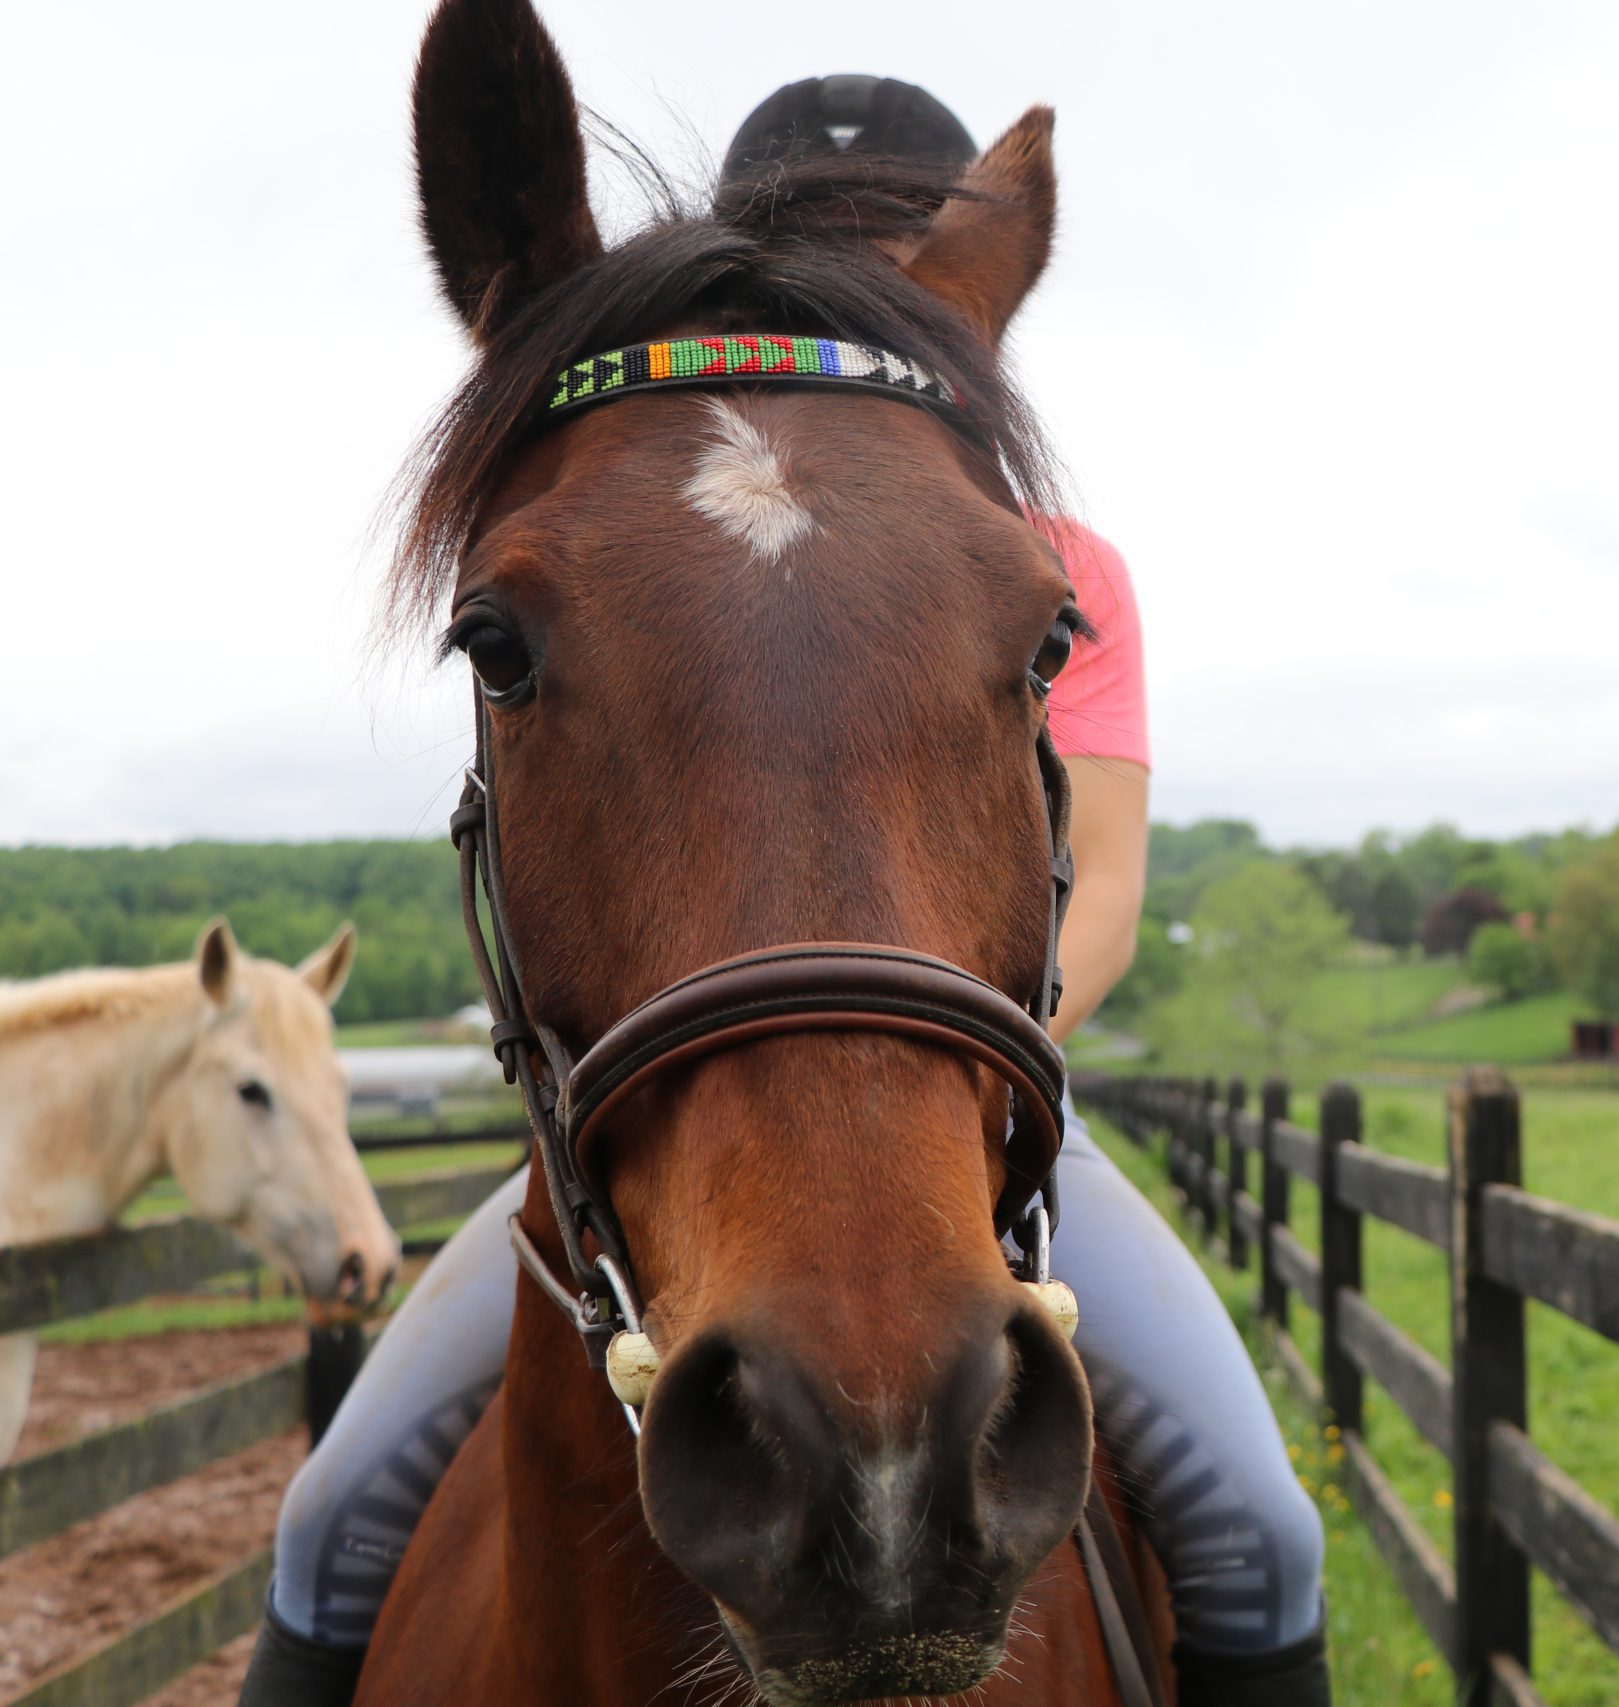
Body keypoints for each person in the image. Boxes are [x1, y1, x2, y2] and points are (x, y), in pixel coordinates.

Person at [239, 77, 1328, 1707]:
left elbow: (1093, 886)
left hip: (981, 1102)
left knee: (1259, 1531)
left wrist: (967, 1063)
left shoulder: (1052, 568)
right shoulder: (642, 503)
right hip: (651, 1128)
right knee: (330, 1523)